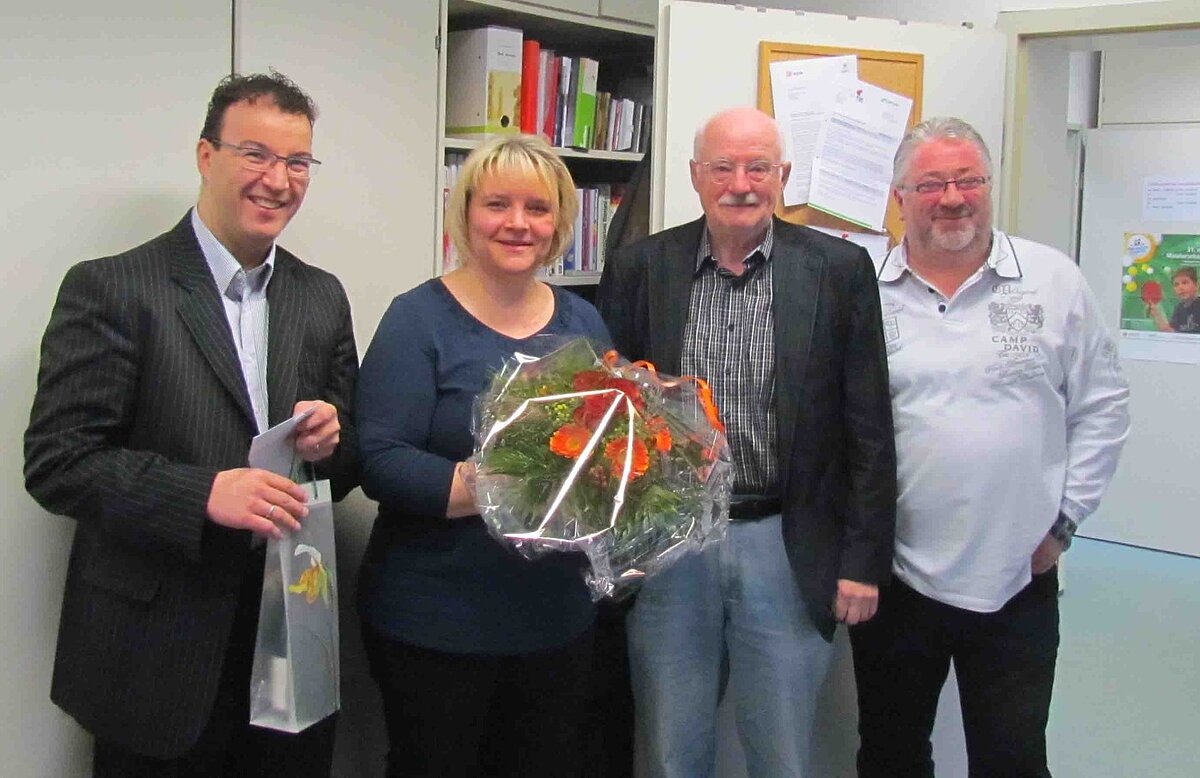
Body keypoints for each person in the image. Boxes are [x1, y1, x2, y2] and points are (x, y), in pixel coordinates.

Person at [24, 72, 359, 776]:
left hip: (291, 641)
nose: (278, 180)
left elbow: (346, 463)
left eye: (298, 162)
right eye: (255, 154)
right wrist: (202, 493)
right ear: (207, 156)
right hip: (155, 649)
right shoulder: (114, 287)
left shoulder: (322, 295)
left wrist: (331, 442)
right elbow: (58, 462)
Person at [596, 106, 897, 778]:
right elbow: (612, 417)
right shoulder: (641, 267)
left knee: (781, 752)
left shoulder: (838, 269)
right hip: (671, 543)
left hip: (787, 544)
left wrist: (862, 559)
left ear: (782, 175)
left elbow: (869, 426)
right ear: (695, 175)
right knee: (672, 749)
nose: (740, 184)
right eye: (723, 168)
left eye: (758, 167)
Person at [851, 116, 1131, 778]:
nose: (953, 198)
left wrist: (1064, 524)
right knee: (891, 755)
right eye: (931, 184)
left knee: (1013, 758)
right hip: (896, 577)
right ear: (899, 198)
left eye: (968, 180)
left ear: (989, 186)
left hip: (1018, 574)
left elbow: (1104, 406)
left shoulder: (1052, 280)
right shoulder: (861, 291)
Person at [356, 133, 611, 778]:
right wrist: (505, 484)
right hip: (435, 623)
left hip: (556, 621)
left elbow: (608, 445)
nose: (518, 223)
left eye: (538, 208)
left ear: (559, 222)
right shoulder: (417, 319)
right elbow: (379, 460)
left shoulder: (584, 323)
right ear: (466, 213)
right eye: (498, 204)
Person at [1148, 265, 1200, 333]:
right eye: (1176, 284)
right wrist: (1156, 314)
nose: (1180, 287)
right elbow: (1171, 333)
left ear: (1196, 285)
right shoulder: (1179, 308)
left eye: (1185, 283)